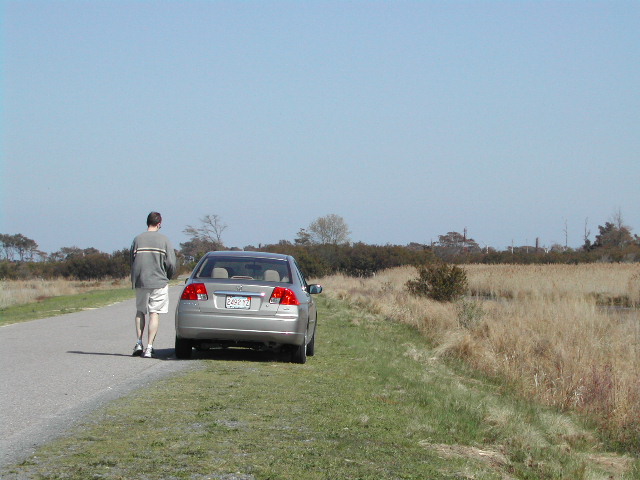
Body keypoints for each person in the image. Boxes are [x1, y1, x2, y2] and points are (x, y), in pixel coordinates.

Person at [130, 211, 177, 358]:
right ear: (159, 223)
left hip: (141, 281)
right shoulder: (164, 240)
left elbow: (132, 260)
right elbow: (171, 263)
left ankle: (138, 342)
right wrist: (167, 276)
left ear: (147, 222)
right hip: (159, 282)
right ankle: (149, 347)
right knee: (154, 313)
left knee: (140, 311)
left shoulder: (137, 239)